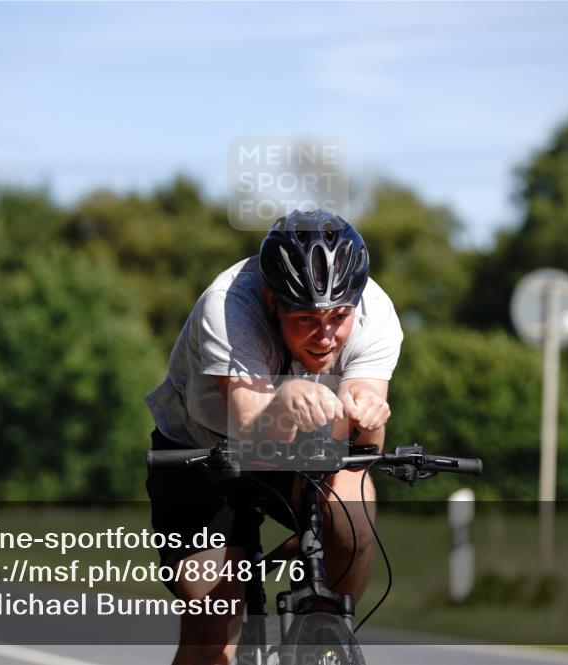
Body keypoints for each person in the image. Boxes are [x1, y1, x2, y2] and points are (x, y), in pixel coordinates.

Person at [145, 209, 404, 664]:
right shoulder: (229, 305)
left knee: (353, 501)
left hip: (304, 448)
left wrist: (370, 414)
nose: (324, 337)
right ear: (271, 300)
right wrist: (285, 399)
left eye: (338, 317)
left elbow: (365, 446)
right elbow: (248, 427)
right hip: (201, 450)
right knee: (213, 630)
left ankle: (326, 631)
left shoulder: (375, 312)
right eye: (305, 318)